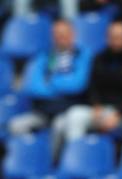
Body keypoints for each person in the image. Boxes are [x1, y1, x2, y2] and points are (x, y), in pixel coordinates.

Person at [59, 20, 122, 145]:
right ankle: (76, 157)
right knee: (75, 114)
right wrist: (95, 105)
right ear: (107, 38)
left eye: (120, 37)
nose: (117, 41)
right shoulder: (100, 58)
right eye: (113, 37)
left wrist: (118, 113)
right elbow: (92, 87)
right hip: (104, 110)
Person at [7, 19, 91, 153]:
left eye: (64, 34)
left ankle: (52, 166)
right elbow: (32, 86)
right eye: (57, 34)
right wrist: (59, 87)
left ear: (73, 34)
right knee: (16, 126)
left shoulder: (83, 55)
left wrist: (51, 82)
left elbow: (78, 84)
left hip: (67, 111)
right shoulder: (43, 56)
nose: (61, 38)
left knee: (59, 126)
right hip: (43, 111)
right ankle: (25, 164)